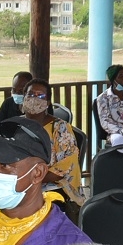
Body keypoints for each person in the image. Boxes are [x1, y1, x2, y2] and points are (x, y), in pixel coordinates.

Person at [17, 79, 83, 213]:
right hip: (20, 185)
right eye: (30, 94)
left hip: (53, 186)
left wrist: (32, 182)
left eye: (40, 96)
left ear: (47, 103)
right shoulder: (16, 125)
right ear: (24, 98)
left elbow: (65, 166)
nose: (35, 99)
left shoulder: (60, 128)